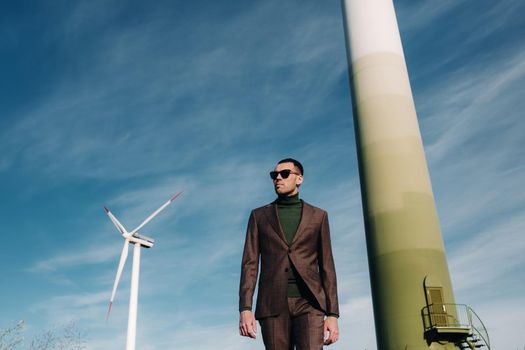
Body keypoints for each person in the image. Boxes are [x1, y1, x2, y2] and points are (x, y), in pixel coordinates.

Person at [239, 158, 340, 349]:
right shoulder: (258, 216)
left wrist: (333, 314)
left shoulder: (319, 216)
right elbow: (249, 264)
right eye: (274, 175)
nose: (278, 178)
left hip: (310, 303)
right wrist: (245, 308)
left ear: (299, 179)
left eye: (284, 174)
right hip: (272, 304)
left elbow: (327, 267)